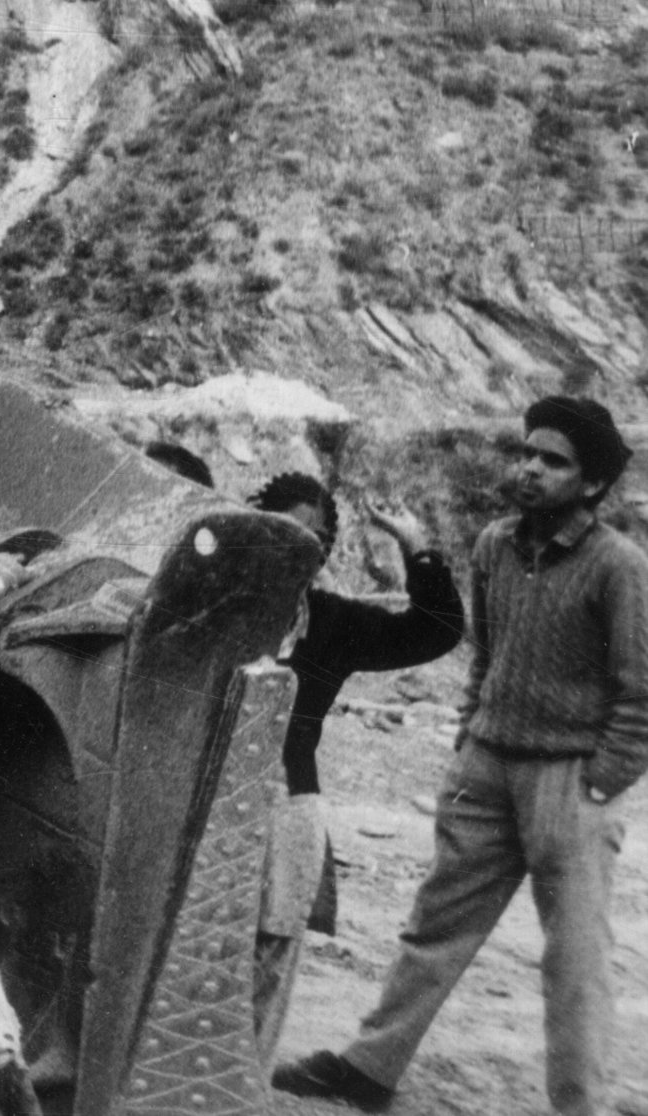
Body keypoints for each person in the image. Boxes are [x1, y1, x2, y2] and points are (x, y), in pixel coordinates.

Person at [275, 398, 648, 1116]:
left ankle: (581, 1103)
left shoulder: (619, 567)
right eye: (527, 454)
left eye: (554, 461)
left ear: (593, 485)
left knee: (574, 957)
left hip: (570, 780)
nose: (531, 469)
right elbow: (488, 654)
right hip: (487, 766)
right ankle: (370, 1068)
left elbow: (640, 690)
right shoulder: (494, 547)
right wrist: (469, 734)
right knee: (434, 929)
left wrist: (604, 781)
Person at [252, 472, 464, 1053]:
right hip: (194, 800)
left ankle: (242, 1083)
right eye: (284, 533)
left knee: (270, 952)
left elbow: (437, 630)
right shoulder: (208, 601)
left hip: (287, 805)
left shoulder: (333, 624)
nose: (299, 550)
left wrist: (415, 545)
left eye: (315, 542)